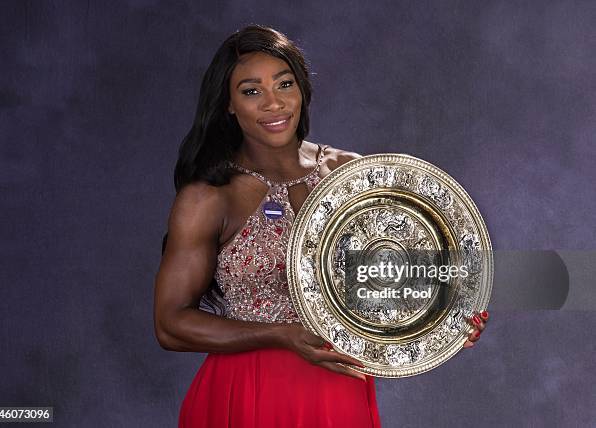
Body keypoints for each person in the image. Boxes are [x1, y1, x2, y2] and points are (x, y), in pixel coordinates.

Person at [153, 25, 488, 428]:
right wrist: (281, 334)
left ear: (302, 89)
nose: (274, 104)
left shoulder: (351, 173)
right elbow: (170, 325)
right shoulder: (210, 196)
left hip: (338, 393)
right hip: (248, 393)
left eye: (284, 84)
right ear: (228, 104)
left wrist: (450, 318)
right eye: (251, 91)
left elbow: (396, 274)